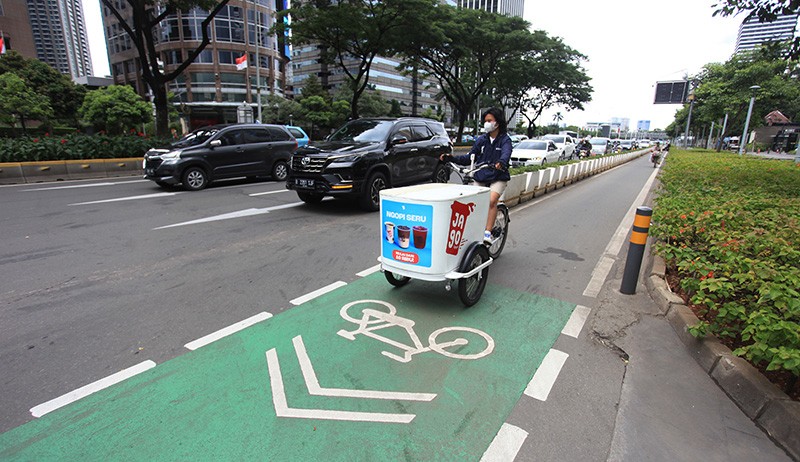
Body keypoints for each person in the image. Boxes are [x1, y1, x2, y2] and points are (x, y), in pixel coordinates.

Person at [440, 107, 512, 243]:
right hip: (481, 175)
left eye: (489, 120)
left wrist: (501, 162)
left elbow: (506, 153)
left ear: (497, 122)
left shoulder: (505, 140)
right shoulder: (482, 140)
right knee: (473, 202)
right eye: (485, 121)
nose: (487, 123)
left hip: (498, 176)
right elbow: (469, 158)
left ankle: (487, 233)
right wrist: (451, 158)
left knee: (491, 201)